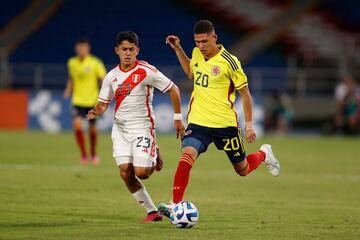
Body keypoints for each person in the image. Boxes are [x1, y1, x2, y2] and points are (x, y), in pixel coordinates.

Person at [158, 20, 280, 218]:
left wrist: (248, 126)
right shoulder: (197, 54)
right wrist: (178, 48)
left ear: (214, 38)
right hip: (198, 123)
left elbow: (246, 94)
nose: (201, 46)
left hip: (225, 125)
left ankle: (264, 154)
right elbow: (190, 71)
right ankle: (175, 204)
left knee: (243, 169)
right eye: (197, 42)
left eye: (204, 41)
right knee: (186, 156)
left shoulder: (230, 62)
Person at [86, 31, 185, 222]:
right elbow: (104, 103)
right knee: (125, 172)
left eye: (132, 49)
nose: (128, 53)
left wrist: (178, 118)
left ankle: (153, 153)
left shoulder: (146, 71)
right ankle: (152, 211)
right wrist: (97, 110)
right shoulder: (111, 77)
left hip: (142, 127)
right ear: (117, 51)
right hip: (120, 130)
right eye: (124, 49)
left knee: (142, 173)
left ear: (137, 50)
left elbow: (174, 89)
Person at [63, 38, 107, 164]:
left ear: (88, 49)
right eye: (79, 48)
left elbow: (103, 79)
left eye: (83, 48)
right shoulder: (72, 62)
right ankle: (83, 155)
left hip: (92, 101)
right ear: (76, 49)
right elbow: (71, 78)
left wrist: (103, 96)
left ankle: (93, 153)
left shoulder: (95, 62)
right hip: (77, 100)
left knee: (92, 130)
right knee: (77, 126)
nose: (81, 50)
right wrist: (68, 89)